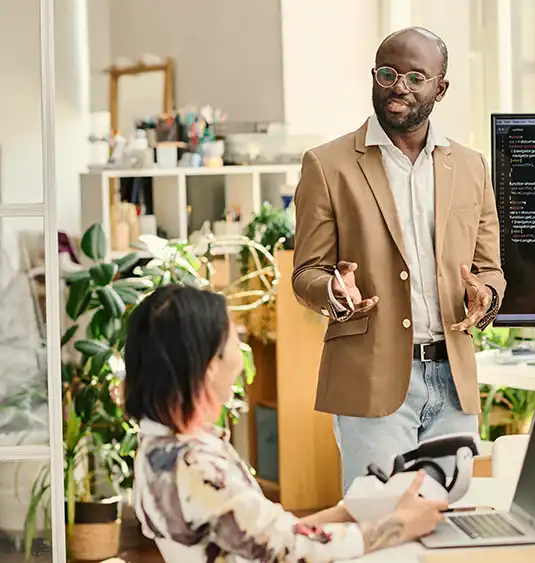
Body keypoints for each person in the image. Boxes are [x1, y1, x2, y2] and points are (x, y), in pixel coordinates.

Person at [292, 26, 505, 491]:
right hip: (372, 380)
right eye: (387, 74)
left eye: (415, 78)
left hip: (453, 381)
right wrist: (334, 290)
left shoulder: (470, 166)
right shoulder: (327, 165)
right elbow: (305, 273)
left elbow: (490, 268)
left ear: (440, 89)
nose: (398, 88)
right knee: (379, 521)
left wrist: (486, 295)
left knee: (450, 519)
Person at [125, 285, 447, 561]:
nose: (241, 355)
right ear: (210, 366)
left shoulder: (160, 448)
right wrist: (399, 526)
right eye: (234, 339)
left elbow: (270, 536)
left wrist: (353, 512)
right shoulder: (195, 466)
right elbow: (287, 550)